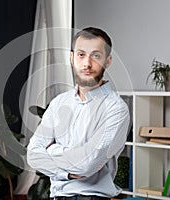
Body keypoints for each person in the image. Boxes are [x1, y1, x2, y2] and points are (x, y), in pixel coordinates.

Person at [27, 27, 130, 200]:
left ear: (108, 61)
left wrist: (51, 149)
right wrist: (68, 171)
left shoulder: (116, 109)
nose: (87, 64)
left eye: (96, 56)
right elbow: (33, 155)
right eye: (81, 55)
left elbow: (87, 165)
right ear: (72, 58)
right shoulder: (59, 103)